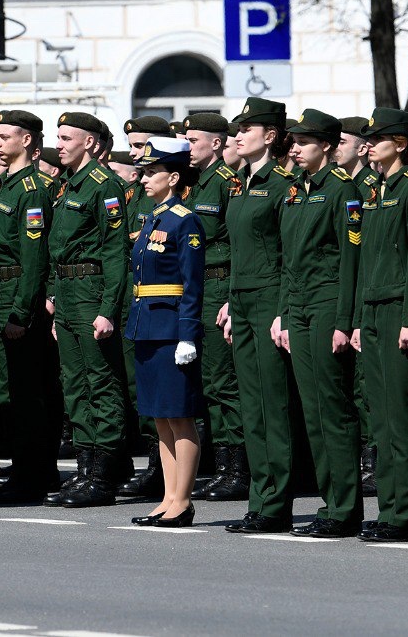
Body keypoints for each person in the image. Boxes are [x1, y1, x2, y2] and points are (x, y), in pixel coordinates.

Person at [274, 110, 364, 538]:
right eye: (293, 141)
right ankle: (331, 503)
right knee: (312, 412)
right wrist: (287, 314)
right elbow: (288, 261)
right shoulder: (295, 191)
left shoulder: (342, 190)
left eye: (304, 142)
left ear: (326, 145)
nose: (294, 147)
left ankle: (345, 508)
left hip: (329, 305)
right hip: (301, 306)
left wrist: (344, 321)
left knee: (333, 409)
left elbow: (350, 262)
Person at [354, 108, 408, 543]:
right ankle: (392, 506)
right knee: (382, 415)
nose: (367, 144)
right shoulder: (375, 189)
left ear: (401, 143)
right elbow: (365, 258)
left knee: (404, 414)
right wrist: (355, 319)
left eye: (377, 138)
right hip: (371, 309)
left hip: (398, 310)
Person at [44, 111, 130, 508]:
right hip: (68, 291)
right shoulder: (66, 186)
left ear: (90, 143)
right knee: (74, 384)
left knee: (102, 383)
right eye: (58, 138)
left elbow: (115, 252)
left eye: (66, 138)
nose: (59, 144)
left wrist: (108, 309)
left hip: (93, 291)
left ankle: (103, 475)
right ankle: (84, 468)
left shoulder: (104, 185)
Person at [220, 97, 296, 535]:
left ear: (269, 135)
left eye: (245, 129)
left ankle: (277, 502)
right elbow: (237, 249)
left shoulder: (283, 184)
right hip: (244, 299)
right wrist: (231, 299)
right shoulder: (239, 184)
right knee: (251, 404)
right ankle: (260, 496)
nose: (237, 136)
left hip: (270, 299)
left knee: (273, 402)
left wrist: (284, 310)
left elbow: (289, 256)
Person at [0, 110, 62, 502]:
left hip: (15, 297)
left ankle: (35, 473)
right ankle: (24, 468)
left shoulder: (32, 189)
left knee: (27, 391)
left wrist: (20, 314)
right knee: (7, 390)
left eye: (5, 135)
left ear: (26, 140)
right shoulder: (6, 186)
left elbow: (33, 261)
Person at [126, 136, 205, 528]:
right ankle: (168, 496)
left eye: (152, 171)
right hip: (147, 326)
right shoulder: (152, 218)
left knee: (180, 416)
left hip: (172, 329)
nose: (144, 178)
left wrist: (188, 335)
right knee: (159, 418)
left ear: (173, 177)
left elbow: (192, 283)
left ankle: (184, 501)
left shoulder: (184, 220)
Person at [181, 112, 247, 502]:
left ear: (217, 143)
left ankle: (235, 468)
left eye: (194, 140)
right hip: (195, 287)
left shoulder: (227, 184)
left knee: (223, 382)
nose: (188, 147)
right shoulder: (192, 185)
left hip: (219, 285)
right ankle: (220, 466)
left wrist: (229, 297)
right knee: (205, 382)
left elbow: (240, 244)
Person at [118, 115, 175, 501]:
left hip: (164, 303)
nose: (136, 156)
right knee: (140, 389)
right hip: (134, 297)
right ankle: (155, 465)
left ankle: (164, 470)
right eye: (133, 148)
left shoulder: (172, 193)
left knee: (167, 395)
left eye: (142, 147)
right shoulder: (135, 192)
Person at [336, 116, 380, 492]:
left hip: (370, 292)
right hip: (347, 292)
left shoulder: (368, 187)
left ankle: (373, 459)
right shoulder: (345, 185)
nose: (335, 147)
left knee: (366, 384)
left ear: (362, 147)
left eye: (342, 141)